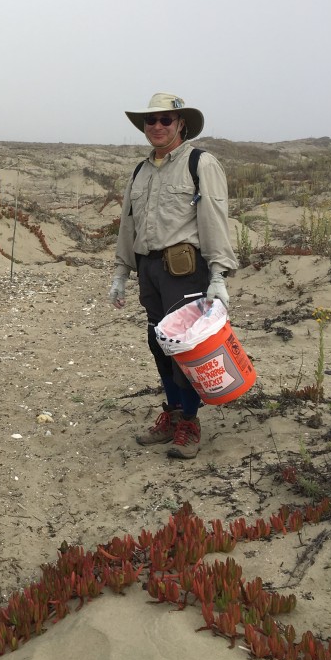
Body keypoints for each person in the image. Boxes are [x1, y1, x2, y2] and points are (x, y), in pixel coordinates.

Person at [110, 93, 237, 459]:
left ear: (181, 123)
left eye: (166, 120)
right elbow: (127, 226)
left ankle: (190, 422)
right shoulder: (141, 170)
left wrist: (218, 274)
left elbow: (214, 220)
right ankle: (174, 411)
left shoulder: (201, 163)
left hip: (184, 269)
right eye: (151, 121)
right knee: (159, 343)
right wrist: (121, 272)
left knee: (188, 349)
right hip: (149, 270)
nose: (157, 127)